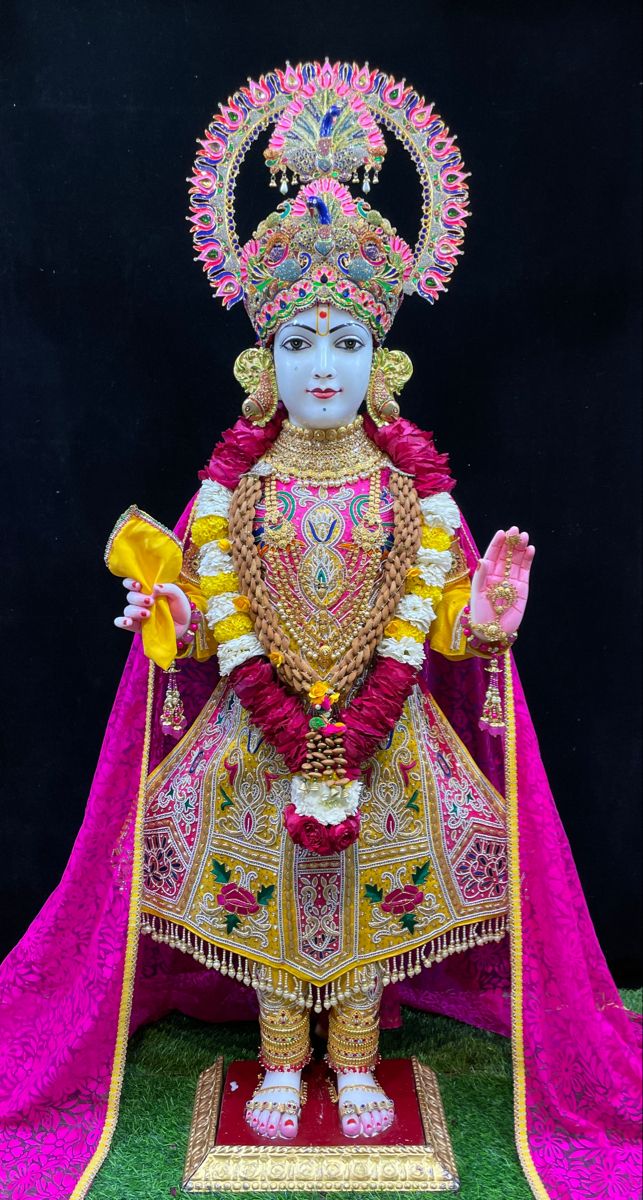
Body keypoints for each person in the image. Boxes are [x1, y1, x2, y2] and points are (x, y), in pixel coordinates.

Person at [0, 59, 639, 1200]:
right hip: (256, 733)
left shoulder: (412, 488)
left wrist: (482, 619)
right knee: (266, 891)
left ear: (382, 357)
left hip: (385, 736)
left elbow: (440, 613)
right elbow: (202, 618)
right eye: (300, 342)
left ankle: (358, 1062)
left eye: (345, 340)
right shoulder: (231, 488)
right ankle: (278, 1059)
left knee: (369, 898)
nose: (324, 365)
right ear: (264, 360)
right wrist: (171, 616)